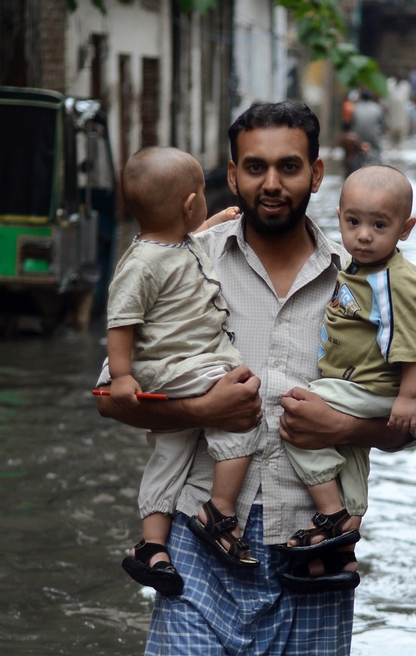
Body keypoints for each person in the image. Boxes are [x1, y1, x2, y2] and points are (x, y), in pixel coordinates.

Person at [95, 100, 416, 656]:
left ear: (318, 173)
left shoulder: (369, 272)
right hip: (200, 548)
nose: (271, 182)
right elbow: (112, 396)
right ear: (230, 175)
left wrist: (345, 428)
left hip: (311, 556)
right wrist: (201, 404)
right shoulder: (185, 257)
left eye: (289, 166)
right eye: (255, 167)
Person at [278, 166, 416, 590]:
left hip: (370, 388)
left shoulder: (398, 282)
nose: (364, 235)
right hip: (356, 386)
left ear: (406, 229)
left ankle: (331, 514)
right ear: (339, 217)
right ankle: (343, 551)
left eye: (379, 225)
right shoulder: (355, 267)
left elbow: (414, 344)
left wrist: (406, 398)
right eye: (353, 222)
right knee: (350, 452)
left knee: (297, 412)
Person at [106, 148, 254, 595]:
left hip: (183, 369)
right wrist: (120, 376)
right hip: (180, 368)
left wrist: (210, 227)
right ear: (189, 204)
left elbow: (188, 248)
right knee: (243, 408)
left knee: (170, 454)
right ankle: (218, 511)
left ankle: (152, 547)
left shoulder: (176, 243)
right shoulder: (142, 263)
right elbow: (121, 321)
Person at [338, 89, 385, 175]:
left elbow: (352, 122)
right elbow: (382, 124)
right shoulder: (377, 108)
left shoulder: (355, 107)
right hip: (373, 136)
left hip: (358, 136)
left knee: (356, 155)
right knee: (378, 153)